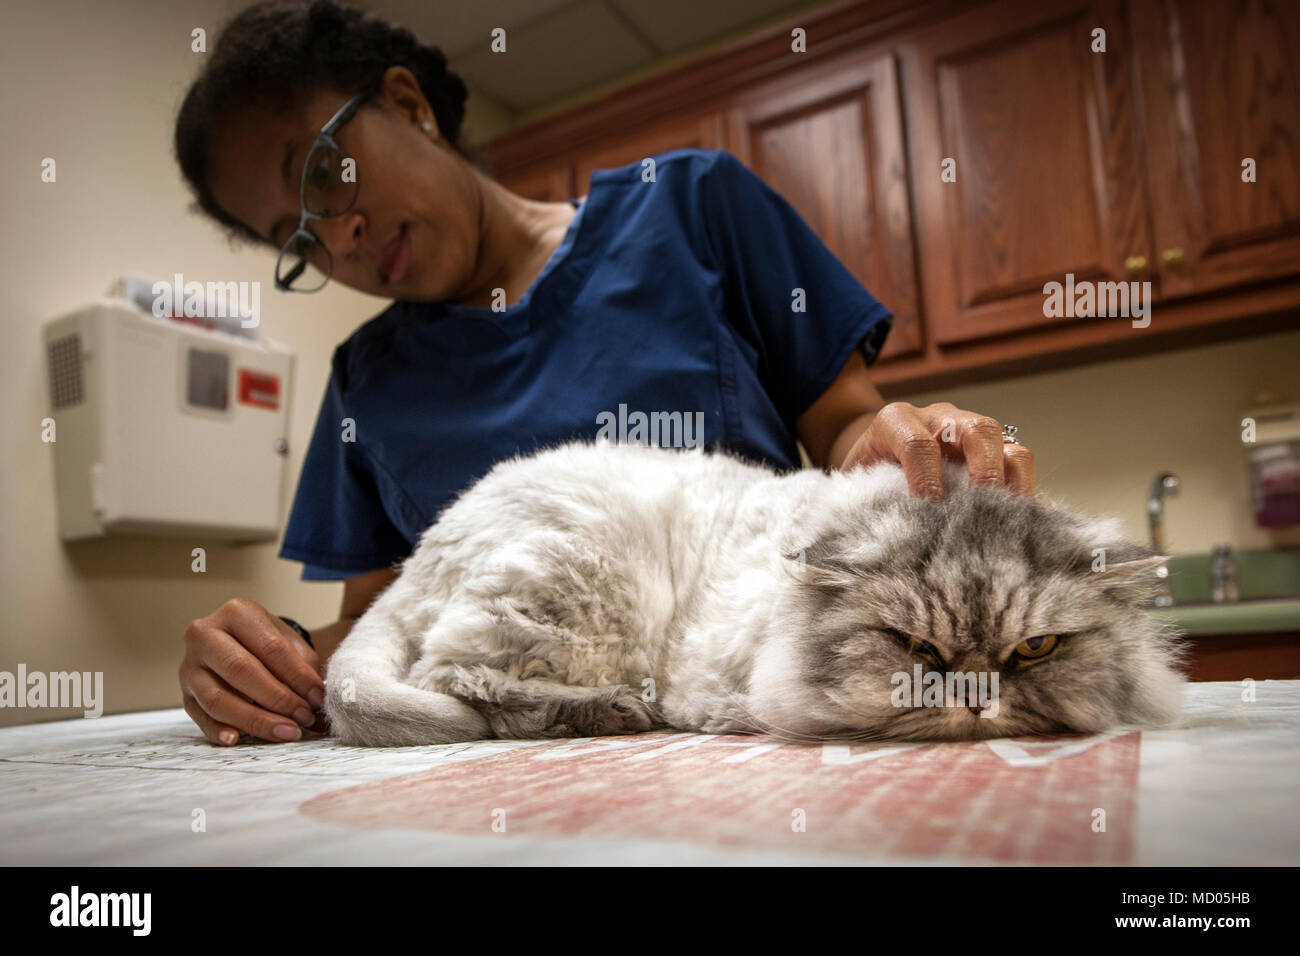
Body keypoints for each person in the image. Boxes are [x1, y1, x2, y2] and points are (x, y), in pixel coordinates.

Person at [174, 0, 1034, 746]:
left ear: (408, 105)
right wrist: (261, 656)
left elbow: (847, 426)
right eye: (297, 238)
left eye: (322, 173)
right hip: (499, 763)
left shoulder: (695, 205)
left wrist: (906, 445)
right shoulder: (366, 378)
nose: (339, 236)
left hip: (738, 711)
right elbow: (381, 622)